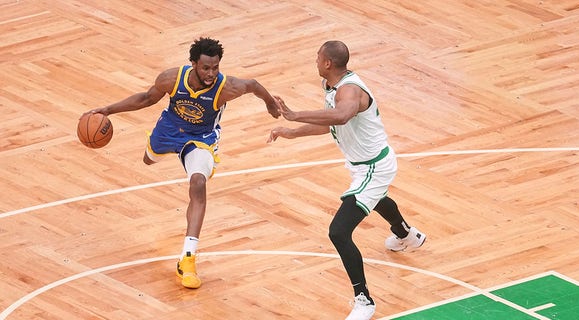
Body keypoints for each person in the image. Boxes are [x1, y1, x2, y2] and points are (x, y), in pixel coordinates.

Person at [85, 37, 280, 289]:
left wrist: (270, 104)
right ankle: (155, 147)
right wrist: (108, 110)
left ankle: (188, 258)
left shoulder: (226, 87)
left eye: (215, 67)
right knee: (148, 159)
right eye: (205, 68)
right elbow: (146, 98)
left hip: (201, 138)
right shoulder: (171, 79)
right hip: (168, 129)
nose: (211, 73)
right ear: (193, 64)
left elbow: (253, 85)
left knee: (198, 183)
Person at [267, 40, 426, 320]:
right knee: (376, 199)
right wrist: (292, 132)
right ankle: (406, 235)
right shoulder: (331, 87)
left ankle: (364, 301)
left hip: (374, 167)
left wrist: (293, 115)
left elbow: (341, 116)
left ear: (328, 63)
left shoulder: (350, 90)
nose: (315, 61)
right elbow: (330, 122)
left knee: (338, 231)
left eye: (318, 58)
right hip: (362, 166)